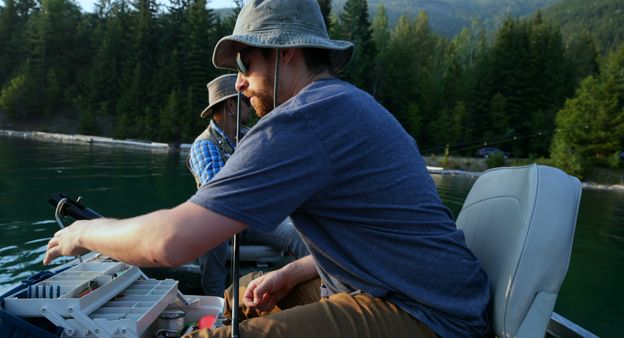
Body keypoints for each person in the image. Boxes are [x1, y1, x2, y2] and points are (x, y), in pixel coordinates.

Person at [43, 0, 491, 337]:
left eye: (245, 63)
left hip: (430, 315)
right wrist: (289, 272)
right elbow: (375, 239)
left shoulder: (303, 119)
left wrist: (80, 234)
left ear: (285, 54)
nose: (238, 82)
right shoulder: (345, 104)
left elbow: (170, 243)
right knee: (241, 295)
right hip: (420, 291)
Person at [188, 74, 308, 297]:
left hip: (254, 218)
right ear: (231, 105)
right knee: (212, 235)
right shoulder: (204, 145)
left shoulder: (251, 136)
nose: (250, 104)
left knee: (298, 233)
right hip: (220, 220)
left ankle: (311, 292)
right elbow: (218, 197)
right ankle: (217, 303)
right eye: (245, 100)